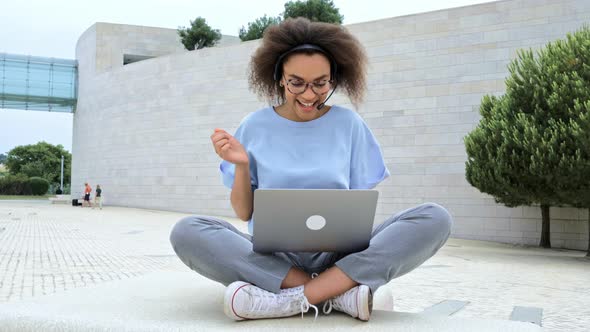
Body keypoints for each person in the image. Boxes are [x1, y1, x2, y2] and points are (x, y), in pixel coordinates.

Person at [170, 18, 453, 322]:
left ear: (334, 80)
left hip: (340, 257)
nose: (309, 95)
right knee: (188, 231)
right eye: (297, 82)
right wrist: (241, 166)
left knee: (434, 217)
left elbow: (356, 208)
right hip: (273, 258)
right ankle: (336, 293)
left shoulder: (349, 125)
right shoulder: (254, 126)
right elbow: (243, 213)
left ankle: (291, 299)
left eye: (320, 83)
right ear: (280, 78)